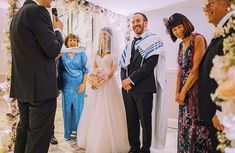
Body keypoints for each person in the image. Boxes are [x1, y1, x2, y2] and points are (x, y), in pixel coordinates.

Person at [9, 0, 63, 152]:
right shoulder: (37, 11)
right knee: (38, 139)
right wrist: (58, 30)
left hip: (23, 88)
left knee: (24, 133)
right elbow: (53, 49)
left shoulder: (17, 15)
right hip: (41, 90)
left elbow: (33, 51)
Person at [164, 13, 212, 153]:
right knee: (184, 124)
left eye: (179, 27)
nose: (178, 31)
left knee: (197, 126)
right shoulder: (180, 45)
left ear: (186, 23)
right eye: (174, 30)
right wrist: (177, 92)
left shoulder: (198, 38)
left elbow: (196, 70)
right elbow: (179, 71)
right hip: (184, 90)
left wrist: (184, 91)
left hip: (196, 89)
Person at [77, 27, 129, 153]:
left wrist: (104, 78)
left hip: (109, 85)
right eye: (101, 35)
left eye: (105, 35)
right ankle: (92, 138)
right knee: (95, 110)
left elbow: (113, 69)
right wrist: (95, 78)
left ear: (110, 37)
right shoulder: (97, 52)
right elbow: (94, 67)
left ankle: (111, 142)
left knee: (109, 110)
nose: (102, 37)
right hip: (97, 86)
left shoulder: (114, 52)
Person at [119, 12, 163, 153]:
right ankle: (134, 148)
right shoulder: (129, 44)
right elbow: (122, 66)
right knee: (131, 121)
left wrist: (130, 80)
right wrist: (124, 82)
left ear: (146, 23)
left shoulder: (154, 40)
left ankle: (145, 149)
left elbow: (150, 66)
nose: (135, 24)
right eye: (133, 22)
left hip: (144, 89)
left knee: (145, 122)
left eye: (138, 21)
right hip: (127, 90)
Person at [198, 0, 233, 152]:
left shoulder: (231, 29)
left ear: (228, 4)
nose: (205, 7)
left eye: (211, 2)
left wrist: (220, 111)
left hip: (225, 115)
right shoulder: (223, 29)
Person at [59, 33, 88, 141]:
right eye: (70, 40)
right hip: (66, 85)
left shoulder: (81, 53)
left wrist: (83, 84)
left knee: (78, 108)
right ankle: (67, 133)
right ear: (66, 42)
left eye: (75, 40)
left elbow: (86, 69)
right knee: (66, 109)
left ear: (77, 42)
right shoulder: (63, 54)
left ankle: (78, 133)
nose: (73, 42)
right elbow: (59, 69)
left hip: (79, 85)